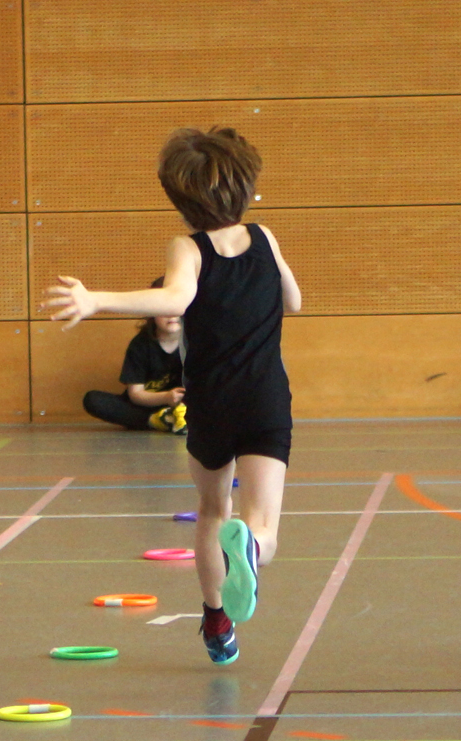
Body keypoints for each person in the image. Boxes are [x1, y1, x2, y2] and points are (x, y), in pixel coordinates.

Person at [45, 126, 298, 666]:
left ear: (180, 198)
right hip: (265, 397)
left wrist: (97, 300)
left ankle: (217, 620)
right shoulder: (265, 238)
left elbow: (177, 297)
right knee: (261, 522)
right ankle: (253, 547)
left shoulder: (188, 247)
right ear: (246, 184)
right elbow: (293, 300)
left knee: (212, 508)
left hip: (210, 401)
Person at [81, 277, 187, 434]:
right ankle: (157, 420)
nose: (171, 314)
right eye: (164, 308)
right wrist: (166, 397)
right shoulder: (140, 345)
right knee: (93, 400)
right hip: (148, 406)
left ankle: (177, 418)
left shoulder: (195, 341)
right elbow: (136, 394)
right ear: (151, 311)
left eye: (176, 307)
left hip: (185, 405)